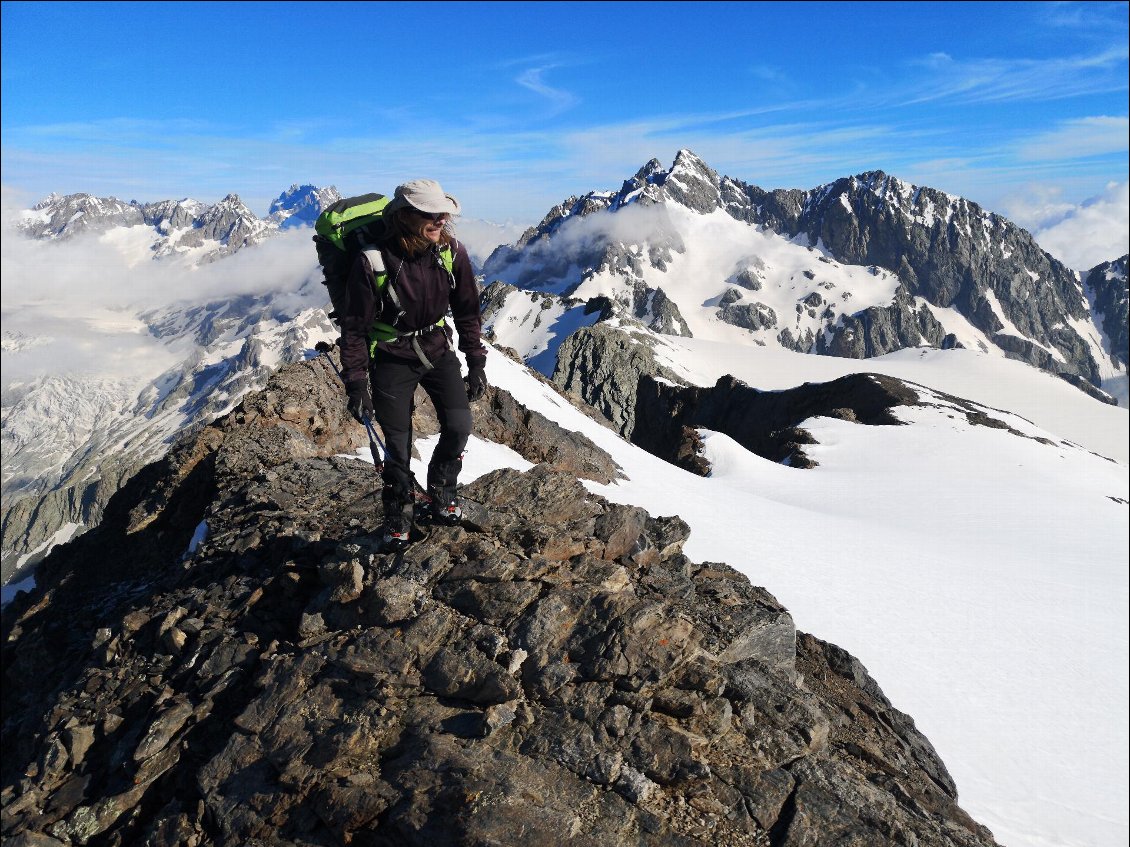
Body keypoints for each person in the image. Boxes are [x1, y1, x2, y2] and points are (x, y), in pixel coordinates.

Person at [337, 179, 488, 550]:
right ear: (404, 216)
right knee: (398, 444)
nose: (439, 220)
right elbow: (354, 328)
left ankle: (442, 493)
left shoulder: (450, 252)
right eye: (429, 214)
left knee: (458, 424)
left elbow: (468, 310)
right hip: (391, 357)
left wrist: (476, 361)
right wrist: (356, 383)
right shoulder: (373, 260)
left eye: (442, 214)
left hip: (437, 348)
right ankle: (398, 518)